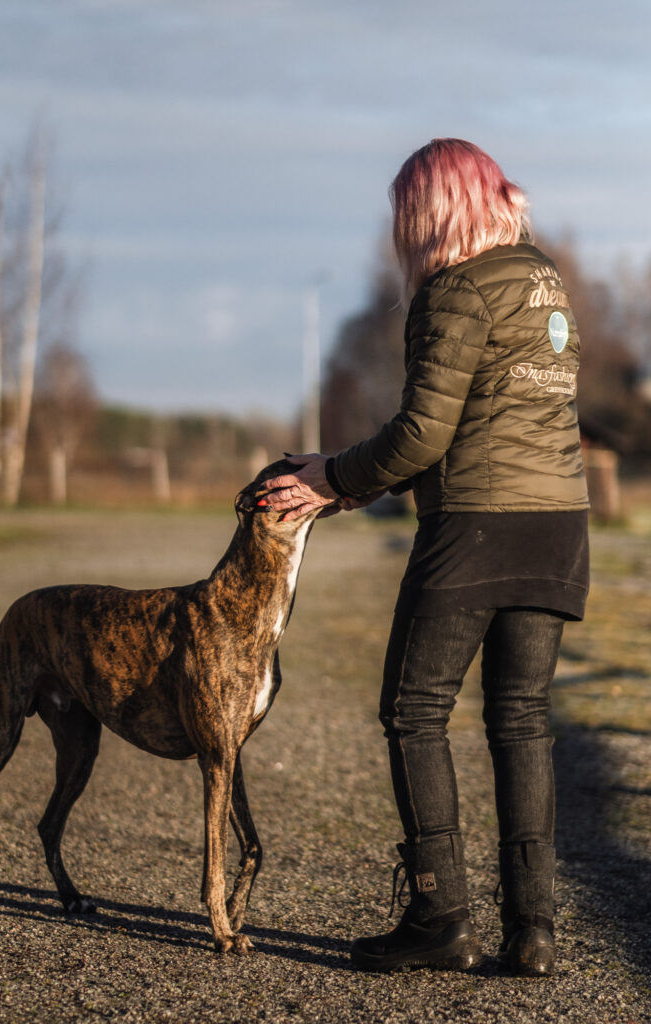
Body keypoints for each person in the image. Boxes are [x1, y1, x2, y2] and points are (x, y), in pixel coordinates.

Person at [263, 138, 589, 977]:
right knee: (520, 720)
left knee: (414, 712)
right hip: (559, 525)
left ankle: (440, 915)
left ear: (431, 209)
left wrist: (329, 478)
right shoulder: (544, 279)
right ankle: (534, 931)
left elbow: (421, 435)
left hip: (478, 524)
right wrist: (356, 483)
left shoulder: (455, 290)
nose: (399, 231)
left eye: (405, 213)